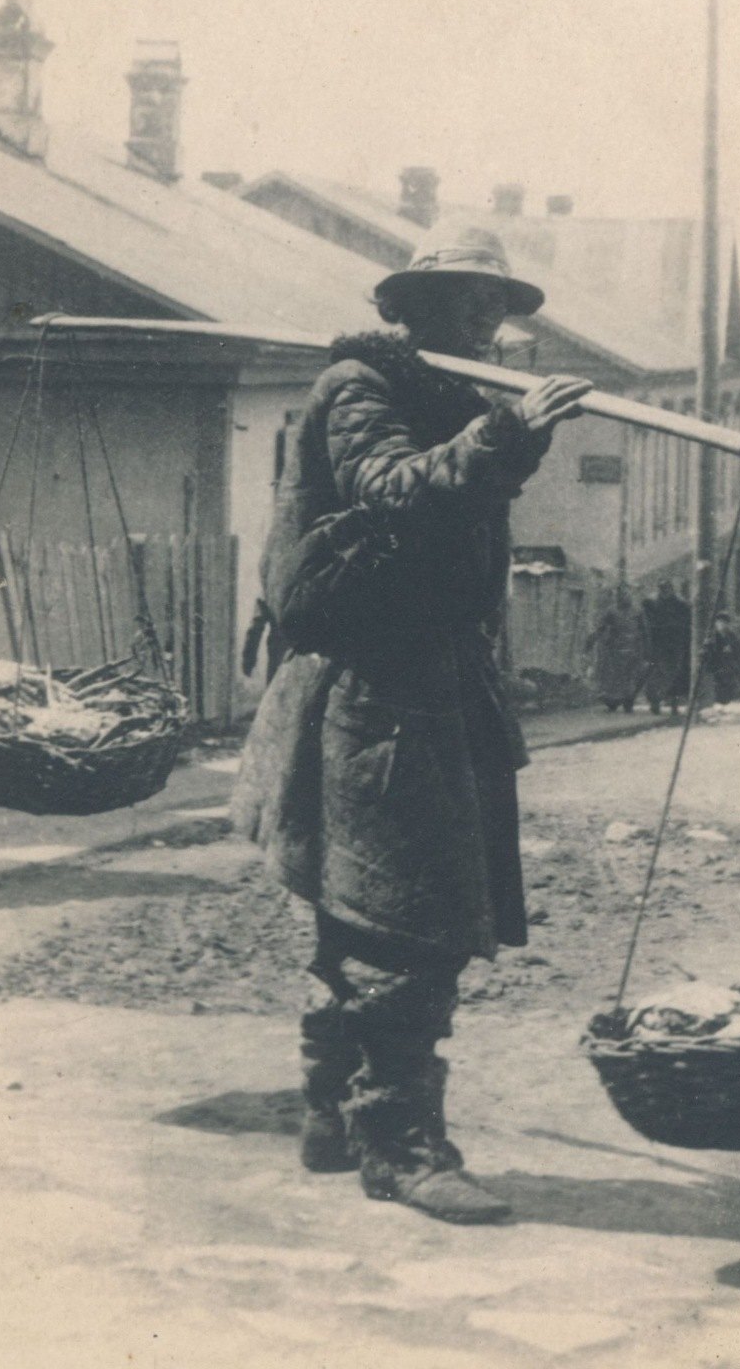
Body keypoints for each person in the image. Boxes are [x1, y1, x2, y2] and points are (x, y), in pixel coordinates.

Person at [231, 224, 590, 1225]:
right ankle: (397, 1146)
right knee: (406, 918)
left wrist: (497, 430)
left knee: (368, 914)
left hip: (430, 682)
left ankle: (332, 1117)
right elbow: (391, 489)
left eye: (495, 303)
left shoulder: (447, 392)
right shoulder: (361, 387)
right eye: (467, 301)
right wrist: (506, 435)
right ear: (415, 308)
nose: (486, 319)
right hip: (373, 689)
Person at [587, 583, 649, 712]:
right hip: (616, 649)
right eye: (621, 594)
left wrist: (647, 649)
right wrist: (592, 640)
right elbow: (601, 627)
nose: (624, 597)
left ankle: (629, 701)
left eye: (627, 594)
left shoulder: (638, 611)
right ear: (618, 596)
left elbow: (644, 631)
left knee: (632, 676)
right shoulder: (612, 611)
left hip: (633, 648)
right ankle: (613, 701)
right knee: (615, 678)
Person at [642, 578, 691, 715]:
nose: (665, 591)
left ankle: (674, 704)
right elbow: (648, 623)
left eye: (667, 588)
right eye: (662, 589)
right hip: (658, 645)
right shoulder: (652, 603)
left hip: (675, 645)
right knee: (657, 674)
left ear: (671, 589)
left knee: (675, 674)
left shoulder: (680, 604)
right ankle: (655, 703)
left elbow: (687, 623)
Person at [703, 608, 740, 706]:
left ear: (728, 624)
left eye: (724, 622)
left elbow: (739, 650)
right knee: (717, 689)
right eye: (719, 622)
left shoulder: (732, 637)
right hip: (716, 668)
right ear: (715, 624)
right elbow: (709, 652)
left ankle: (724, 703)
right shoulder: (713, 637)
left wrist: (737, 664)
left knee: (728, 689)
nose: (721, 625)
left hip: (729, 668)